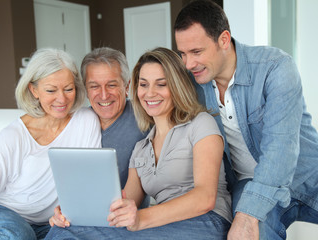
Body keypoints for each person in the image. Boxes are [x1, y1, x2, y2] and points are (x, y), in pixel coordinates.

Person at [174, 1, 318, 239]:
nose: (189, 64)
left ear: (224, 40)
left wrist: (248, 213)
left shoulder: (275, 67)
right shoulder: (193, 83)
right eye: (183, 54)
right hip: (249, 185)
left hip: (313, 177)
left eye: (197, 52)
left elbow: (279, 151)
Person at [45, 47, 232, 240]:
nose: (150, 93)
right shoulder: (141, 149)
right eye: (143, 85)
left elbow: (205, 198)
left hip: (206, 221)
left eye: (161, 84)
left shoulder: (200, 124)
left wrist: (141, 219)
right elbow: (122, 204)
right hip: (161, 224)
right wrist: (72, 212)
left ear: (176, 86)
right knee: (62, 231)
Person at [0, 48, 102, 239]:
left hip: (58, 221)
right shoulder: (14, 135)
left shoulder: (86, 120)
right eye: (51, 90)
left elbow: (89, 179)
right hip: (8, 215)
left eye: (68, 89)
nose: (62, 98)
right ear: (34, 90)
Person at [48, 47, 149, 228]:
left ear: (126, 86)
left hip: (125, 222)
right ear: (85, 90)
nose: (103, 95)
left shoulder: (145, 116)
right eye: (94, 86)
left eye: (111, 85)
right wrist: (60, 213)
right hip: (79, 219)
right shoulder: (75, 122)